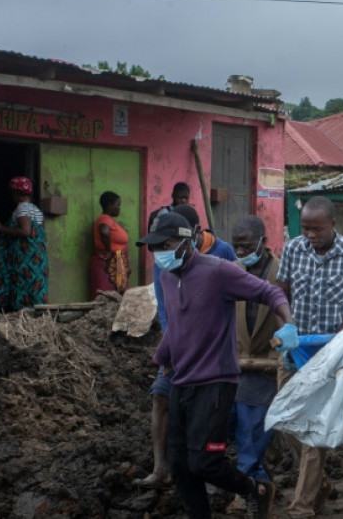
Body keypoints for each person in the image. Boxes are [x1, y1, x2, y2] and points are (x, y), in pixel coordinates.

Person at [140, 212, 296, 519]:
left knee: (205, 462)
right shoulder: (168, 277)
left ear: (187, 242)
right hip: (181, 380)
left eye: (166, 244)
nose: (159, 252)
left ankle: (255, 488)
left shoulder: (218, 271)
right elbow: (177, 324)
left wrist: (288, 324)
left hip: (215, 381)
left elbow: (271, 291)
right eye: (154, 246)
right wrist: (162, 358)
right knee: (182, 467)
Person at [276, 195, 343, 518]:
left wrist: (338, 348)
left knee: (316, 428)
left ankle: (301, 506)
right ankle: (320, 484)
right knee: (285, 419)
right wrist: (285, 332)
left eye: (317, 229)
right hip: (294, 350)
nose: (310, 235)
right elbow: (280, 295)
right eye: (306, 229)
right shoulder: (291, 249)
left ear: (333, 224)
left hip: (330, 352)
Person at [136, 205, 238, 490]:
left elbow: (239, 301)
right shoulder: (164, 264)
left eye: (164, 241)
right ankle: (161, 468)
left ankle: (212, 469)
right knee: (161, 397)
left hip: (212, 356)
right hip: (176, 350)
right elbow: (166, 307)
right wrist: (170, 345)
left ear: (191, 235)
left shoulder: (222, 256)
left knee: (209, 414)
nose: (159, 249)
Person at [230, 215, 283, 486]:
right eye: (236, 246)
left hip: (267, 362)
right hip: (234, 363)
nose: (241, 252)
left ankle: (253, 485)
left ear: (263, 242)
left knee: (251, 428)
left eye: (247, 246)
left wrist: (276, 356)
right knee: (230, 426)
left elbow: (289, 318)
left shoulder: (282, 273)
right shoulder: (231, 271)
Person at [0, 176, 49, 310]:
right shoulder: (35, 209)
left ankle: (22, 315)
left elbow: (25, 231)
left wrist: (0, 228)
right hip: (37, 258)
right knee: (34, 287)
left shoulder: (22, 208)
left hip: (26, 259)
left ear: (15, 193)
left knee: (23, 285)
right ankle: (37, 316)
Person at [91, 191, 130, 297]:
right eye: (118, 205)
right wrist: (108, 250)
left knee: (115, 295)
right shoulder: (104, 218)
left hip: (115, 262)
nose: (119, 208)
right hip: (108, 263)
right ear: (109, 205)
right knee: (106, 295)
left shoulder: (109, 220)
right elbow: (104, 231)